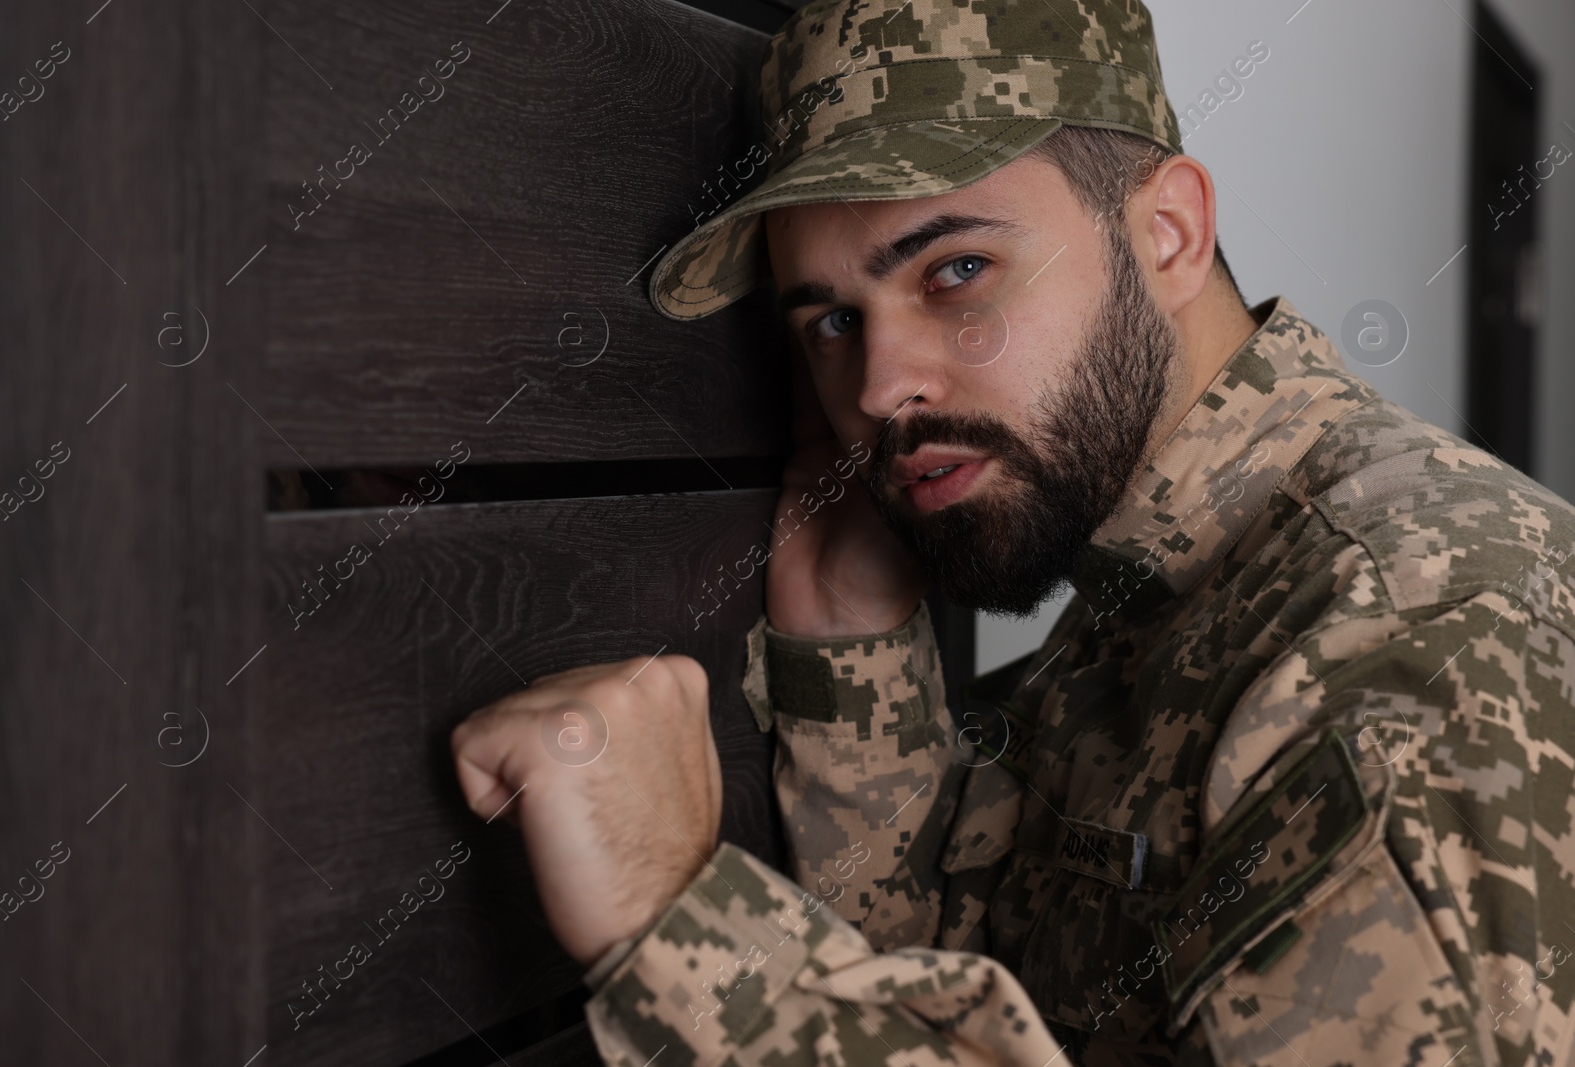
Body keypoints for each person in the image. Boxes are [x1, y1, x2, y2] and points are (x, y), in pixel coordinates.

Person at [448, 1, 1575, 1063]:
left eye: (956, 272)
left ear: (1169, 234)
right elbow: (981, 984)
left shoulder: (1414, 651)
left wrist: (676, 924)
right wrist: (853, 659)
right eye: (834, 321)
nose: (882, 386)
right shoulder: (1144, 586)